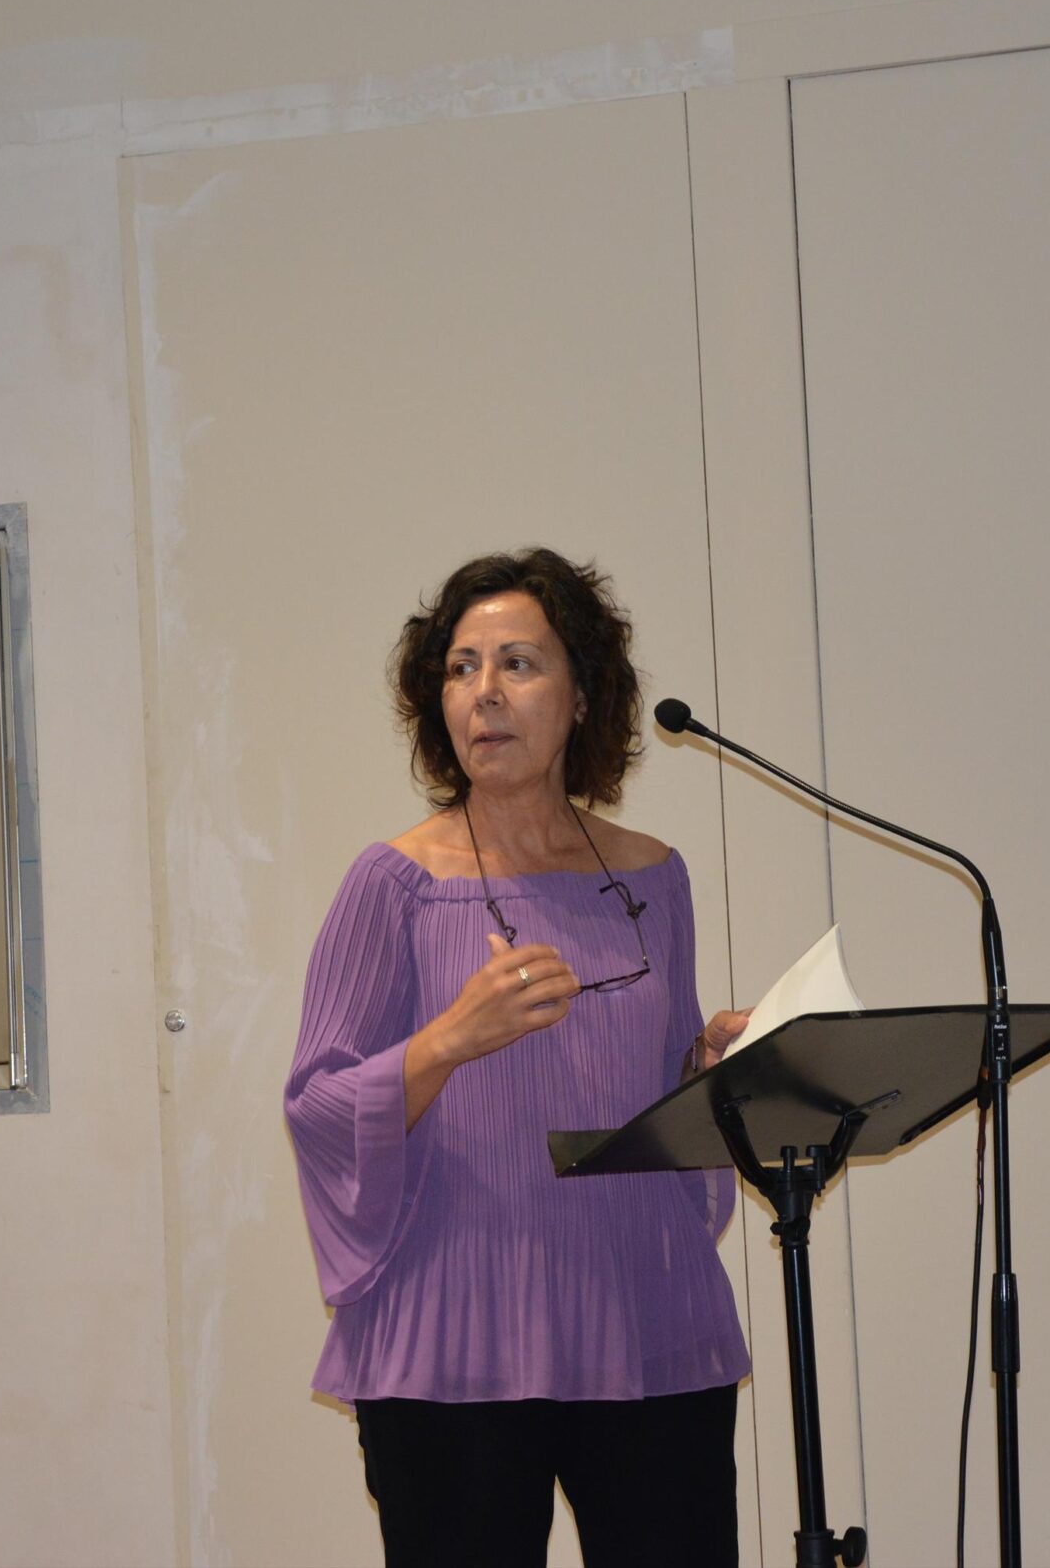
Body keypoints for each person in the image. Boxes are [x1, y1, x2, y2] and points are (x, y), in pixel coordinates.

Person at [284, 548, 754, 1568]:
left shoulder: (654, 878)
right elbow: (317, 1104)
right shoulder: (394, 884)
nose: (484, 692)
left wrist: (708, 1072)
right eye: (461, 667)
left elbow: (655, 1097)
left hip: (644, 1315)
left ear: (583, 696)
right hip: (454, 1334)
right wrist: (451, 1038)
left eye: (518, 663)